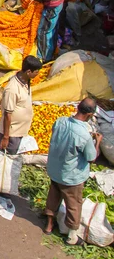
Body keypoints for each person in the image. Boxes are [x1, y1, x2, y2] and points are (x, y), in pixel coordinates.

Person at [44, 98, 102, 243]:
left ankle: (49, 225)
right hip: (71, 176)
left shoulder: (60, 121)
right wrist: (98, 142)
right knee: (74, 204)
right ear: (90, 114)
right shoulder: (84, 134)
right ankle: (72, 235)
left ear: (77, 107)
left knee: (54, 195)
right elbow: (91, 158)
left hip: (55, 169)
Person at [0, 55, 43, 154]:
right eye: (36, 72)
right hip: (11, 133)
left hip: (19, 130)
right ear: (28, 72)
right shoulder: (12, 89)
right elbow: (7, 114)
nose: (38, 74)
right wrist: (6, 137)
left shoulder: (26, 81)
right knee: (6, 158)